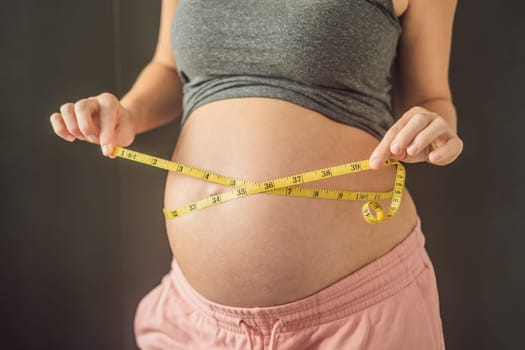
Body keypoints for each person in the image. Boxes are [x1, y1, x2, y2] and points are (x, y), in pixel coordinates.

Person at [49, 0, 463, 348]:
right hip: (195, 322)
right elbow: (167, 67)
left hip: (356, 317)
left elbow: (431, 96)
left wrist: (436, 128)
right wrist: (128, 112)